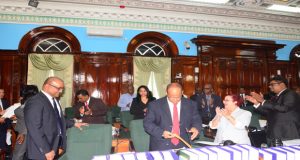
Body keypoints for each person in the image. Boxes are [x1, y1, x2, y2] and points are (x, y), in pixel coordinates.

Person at [24, 77, 87, 160]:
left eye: (62, 89)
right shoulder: (35, 101)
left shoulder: (54, 100)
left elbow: (57, 120)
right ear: (47, 86)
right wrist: (46, 150)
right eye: (58, 88)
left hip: (55, 145)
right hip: (42, 150)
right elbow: (35, 128)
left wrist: (74, 123)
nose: (60, 91)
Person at [143, 83, 202, 151]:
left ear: (182, 92)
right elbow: (147, 123)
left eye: (178, 97)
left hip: (184, 144)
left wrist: (196, 127)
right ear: (166, 93)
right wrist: (161, 132)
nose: (175, 100)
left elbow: (196, 119)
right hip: (161, 145)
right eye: (172, 97)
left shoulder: (191, 104)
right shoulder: (154, 105)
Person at [246, 75, 300, 144]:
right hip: (274, 132)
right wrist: (256, 103)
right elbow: (268, 112)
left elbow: (284, 108)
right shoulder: (275, 97)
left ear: (282, 84)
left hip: (286, 132)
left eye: (272, 84)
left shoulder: (290, 94)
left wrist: (263, 100)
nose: (270, 86)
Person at [13, 85, 39, 160]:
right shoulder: (29, 101)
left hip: (25, 133)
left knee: (18, 155)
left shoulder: (31, 103)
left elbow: (30, 118)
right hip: (25, 132)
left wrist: (23, 133)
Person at [0, 88, 12, 154]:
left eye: (3, 92)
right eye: (0, 92)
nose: (2, 94)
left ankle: (4, 153)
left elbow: (9, 116)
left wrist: (9, 127)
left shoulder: (5, 102)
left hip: (4, 127)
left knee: (3, 145)